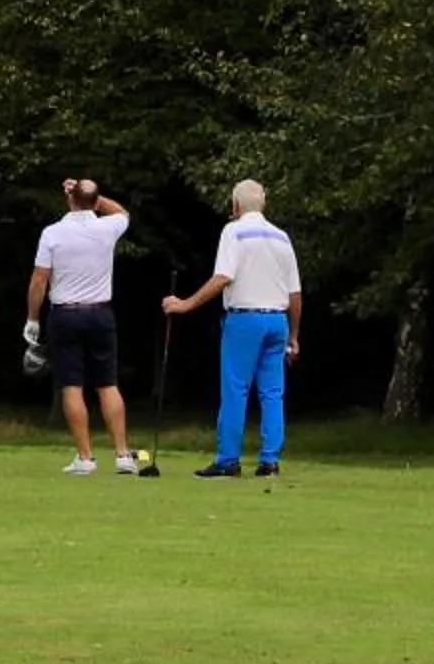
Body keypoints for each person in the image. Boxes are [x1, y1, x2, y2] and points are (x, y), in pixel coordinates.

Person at [163, 179, 303, 478]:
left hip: (245, 319)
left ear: (235, 206)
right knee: (272, 392)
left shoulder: (234, 231)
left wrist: (185, 304)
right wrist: (294, 335)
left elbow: (222, 277)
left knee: (236, 389)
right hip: (277, 320)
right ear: (263, 204)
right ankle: (270, 460)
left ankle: (228, 460)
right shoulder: (281, 237)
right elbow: (295, 293)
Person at [26, 178, 134, 475]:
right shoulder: (107, 227)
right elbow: (122, 212)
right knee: (107, 384)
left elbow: (39, 279)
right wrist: (92, 197)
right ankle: (123, 456)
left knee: (72, 386)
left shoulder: (53, 233)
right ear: (96, 201)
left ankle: (86, 459)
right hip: (100, 314)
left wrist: (32, 318)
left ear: (70, 199)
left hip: (66, 315)